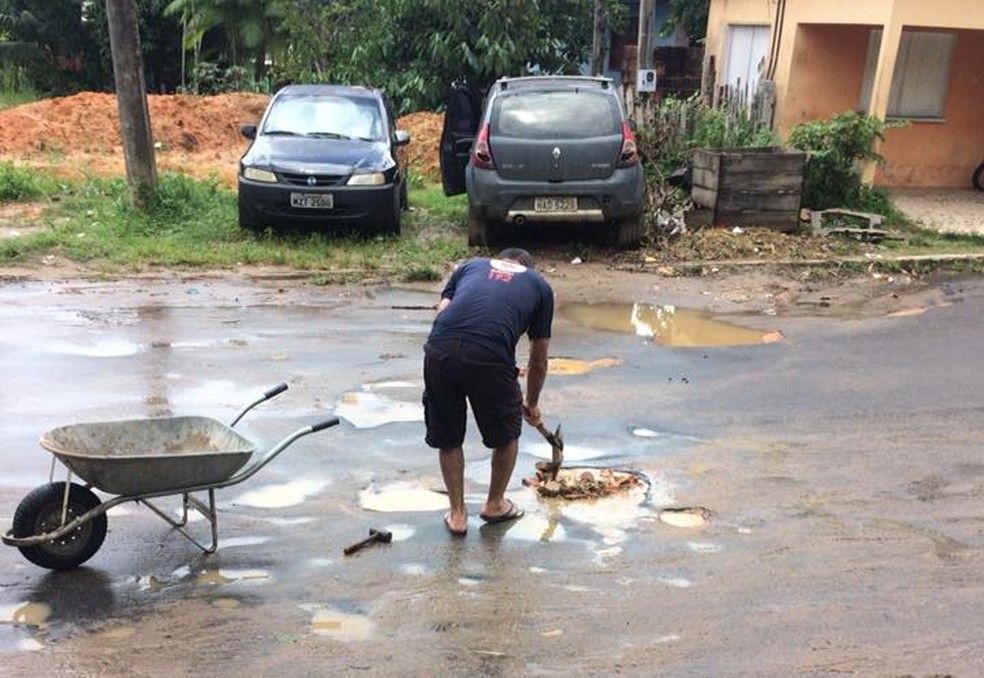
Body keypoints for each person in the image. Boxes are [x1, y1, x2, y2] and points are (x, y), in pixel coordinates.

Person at [422, 248, 554, 537]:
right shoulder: (539, 286)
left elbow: (442, 310)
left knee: (448, 435)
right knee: (507, 435)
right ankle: (494, 504)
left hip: (439, 349)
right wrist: (531, 403)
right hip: (489, 354)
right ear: (527, 267)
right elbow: (538, 357)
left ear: (500, 260)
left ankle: (457, 515)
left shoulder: (470, 267)